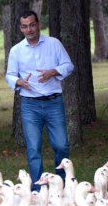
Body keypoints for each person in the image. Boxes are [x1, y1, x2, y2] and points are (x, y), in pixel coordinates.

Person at [5, 10, 74, 191]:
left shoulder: (53, 44)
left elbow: (68, 65)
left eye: (32, 25)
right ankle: (38, 189)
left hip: (53, 102)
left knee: (61, 145)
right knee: (33, 149)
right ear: (21, 28)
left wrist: (53, 71)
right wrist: (18, 81)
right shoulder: (16, 50)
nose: (29, 29)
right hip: (30, 105)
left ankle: (62, 184)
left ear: (38, 25)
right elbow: (10, 75)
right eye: (25, 26)